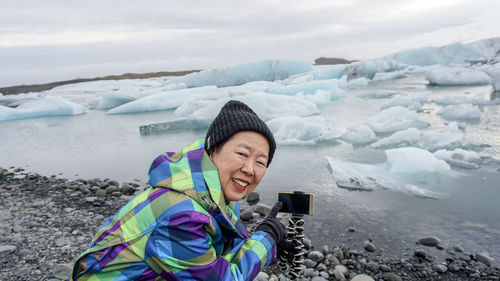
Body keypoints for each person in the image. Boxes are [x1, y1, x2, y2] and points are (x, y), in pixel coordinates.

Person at [70, 100, 288, 281]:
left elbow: (221, 248)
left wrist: (272, 246)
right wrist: (265, 239)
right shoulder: (181, 214)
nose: (250, 169)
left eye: (261, 162)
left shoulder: (208, 191)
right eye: (242, 154)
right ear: (213, 150)